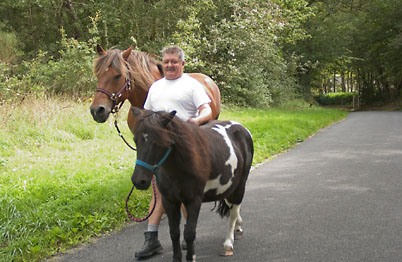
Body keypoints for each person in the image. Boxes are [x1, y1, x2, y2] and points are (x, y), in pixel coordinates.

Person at [135, 46, 213, 259]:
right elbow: (146, 113)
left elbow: (207, 109)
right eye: (167, 61)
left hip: (184, 149)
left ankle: (189, 236)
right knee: (160, 192)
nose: (170, 65)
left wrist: (196, 121)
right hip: (158, 150)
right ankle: (151, 238)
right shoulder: (156, 87)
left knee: (185, 193)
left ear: (182, 64)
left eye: (174, 62)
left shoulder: (191, 85)